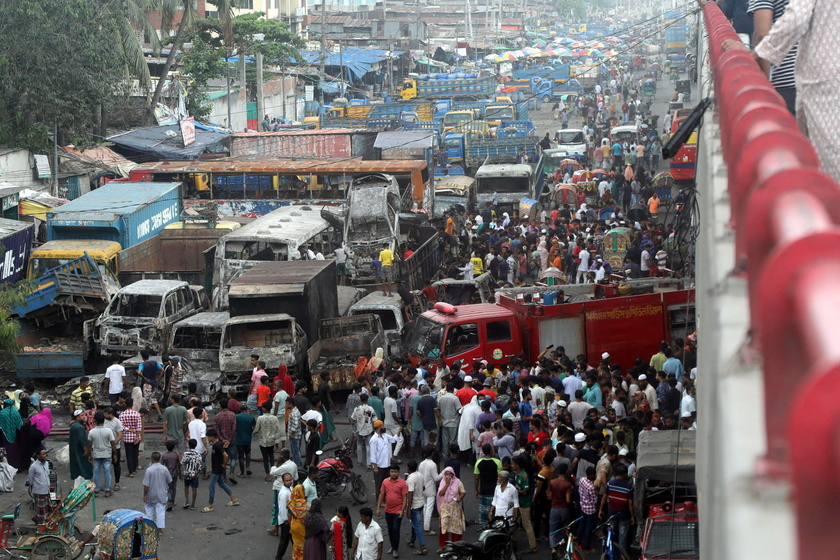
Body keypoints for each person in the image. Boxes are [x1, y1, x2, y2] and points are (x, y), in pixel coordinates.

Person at [202, 428, 239, 512]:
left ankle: (210, 505)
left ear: (212, 437)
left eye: (208, 437)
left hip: (216, 469)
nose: (208, 438)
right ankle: (233, 499)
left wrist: (224, 464)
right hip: (217, 468)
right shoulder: (217, 445)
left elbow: (225, 455)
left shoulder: (217, 446)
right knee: (222, 484)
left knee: (211, 487)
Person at [600, 462, 634, 551]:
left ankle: (608, 551)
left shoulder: (610, 484)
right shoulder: (628, 487)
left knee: (610, 534)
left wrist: (600, 510)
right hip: (623, 515)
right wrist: (632, 517)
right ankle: (622, 555)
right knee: (622, 537)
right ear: (625, 474)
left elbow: (604, 498)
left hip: (611, 513)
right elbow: (630, 504)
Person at [376, 464, 408, 559]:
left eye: (395, 472)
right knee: (390, 529)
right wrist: (378, 508)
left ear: (398, 472)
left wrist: (402, 510)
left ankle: (395, 549)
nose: (393, 474)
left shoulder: (402, 483)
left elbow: (405, 498)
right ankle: (392, 545)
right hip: (388, 510)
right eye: (392, 472)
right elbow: (382, 495)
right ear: (389, 472)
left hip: (398, 511)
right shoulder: (385, 482)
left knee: (395, 529)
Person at [436, 466, 466, 554]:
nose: (448, 476)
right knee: (443, 526)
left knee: (456, 528)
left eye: (450, 474)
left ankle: (456, 547)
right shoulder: (443, 482)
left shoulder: (458, 482)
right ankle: (443, 546)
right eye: (446, 474)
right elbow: (440, 494)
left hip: (455, 508)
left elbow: (463, 492)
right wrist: (447, 485)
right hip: (445, 507)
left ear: (453, 474)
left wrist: (459, 498)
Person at [143, 451, 172, 534]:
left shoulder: (149, 470)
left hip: (151, 494)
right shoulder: (164, 469)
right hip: (161, 493)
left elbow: (146, 485)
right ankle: (159, 530)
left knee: (149, 510)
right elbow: (169, 481)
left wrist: (145, 495)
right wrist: (170, 488)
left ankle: (149, 528)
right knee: (160, 511)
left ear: (152, 459)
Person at [474, 443, 501, 526]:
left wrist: (476, 490)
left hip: (483, 490)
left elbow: (476, 478)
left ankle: (483, 527)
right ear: (491, 451)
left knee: (483, 511)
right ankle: (494, 526)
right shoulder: (497, 462)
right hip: (494, 490)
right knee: (493, 510)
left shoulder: (478, 462)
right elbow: (500, 477)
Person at [405, 459, 428, 554]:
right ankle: (412, 540)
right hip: (421, 502)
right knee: (414, 523)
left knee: (417, 525)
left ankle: (423, 546)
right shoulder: (420, 475)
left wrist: (408, 509)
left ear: (409, 468)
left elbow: (410, 494)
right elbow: (423, 487)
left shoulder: (410, 479)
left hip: (414, 505)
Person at [254, 402, 281, 479]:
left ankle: (268, 474)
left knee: (265, 458)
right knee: (271, 456)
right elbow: (277, 429)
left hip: (263, 441)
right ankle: (274, 472)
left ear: (265, 408)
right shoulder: (274, 418)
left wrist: (253, 433)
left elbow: (256, 429)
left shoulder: (260, 418)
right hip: (271, 440)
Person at [119, 397, 143, 478]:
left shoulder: (122, 414)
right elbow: (139, 427)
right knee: (135, 452)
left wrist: (129, 429)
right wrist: (136, 436)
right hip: (136, 437)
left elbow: (121, 426)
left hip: (127, 437)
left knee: (129, 455)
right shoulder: (137, 414)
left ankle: (131, 472)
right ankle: (135, 467)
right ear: (132, 405)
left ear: (125, 405)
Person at [27, 448, 52, 524]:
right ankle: (41, 524)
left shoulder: (47, 463)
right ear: (38, 456)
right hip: (38, 491)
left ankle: (38, 519)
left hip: (46, 490)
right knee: (41, 510)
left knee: (47, 508)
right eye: (43, 454)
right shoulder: (33, 466)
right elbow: (30, 480)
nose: (45, 455)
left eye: (46, 454)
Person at [102, 408, 123, 492]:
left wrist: (114, 443)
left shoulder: (117, 422)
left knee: (116, 465)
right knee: (106, 466)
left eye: (106, 414)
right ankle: (107, 484)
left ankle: (117, 483)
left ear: (110, 414)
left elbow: (120, 435)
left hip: (116, 447)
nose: (105, 416)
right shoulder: (104, 421)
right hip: (106, 448)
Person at [288, 484, 311, 560]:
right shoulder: (305, 505)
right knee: (303, 544)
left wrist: (290, 527)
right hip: (302, 526)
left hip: (294, 525)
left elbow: (289, 515)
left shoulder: (291, 503)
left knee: (296, 544)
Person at [69, 409, 92, 481]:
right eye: (82, 415)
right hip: (80, 452)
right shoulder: (79, 427)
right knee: (84, 469)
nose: (84, 417)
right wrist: (86, 451)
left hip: (75, 451)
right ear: (77, 418)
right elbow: (81, 440)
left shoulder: (74, 426)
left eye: (84, 415)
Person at [161, 440, 180, 511]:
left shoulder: (165, 456)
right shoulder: (176, 454)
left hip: (167, 474)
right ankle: (172, 500)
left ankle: (169, 501)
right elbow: (179, 464)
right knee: (174, 487)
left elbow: (161, 465)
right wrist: (180, 473)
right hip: (175, 473)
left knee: (168, 488)